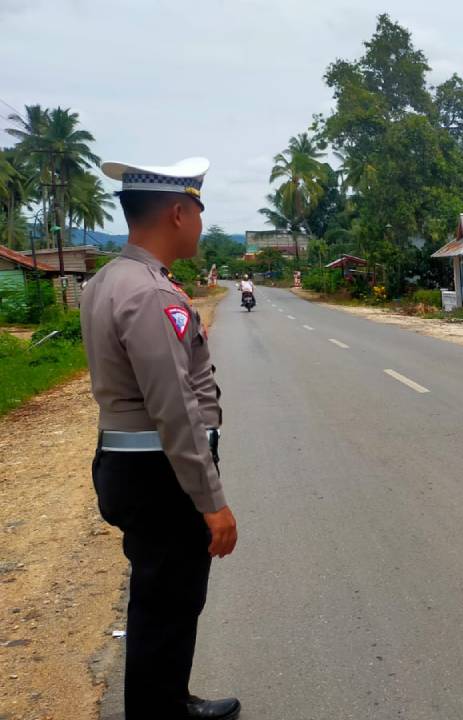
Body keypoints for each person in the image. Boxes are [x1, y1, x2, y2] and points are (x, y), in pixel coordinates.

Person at [81, 157, 241, 719]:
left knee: (160, 596)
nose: (200, 223)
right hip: (161, 473)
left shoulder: (108, 279)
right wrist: (212, 502)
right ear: (177, 213)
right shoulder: (152, 294)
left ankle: (165, 700)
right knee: (170, 599)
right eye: (198, 211)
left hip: (131, 463)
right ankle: (161, 710)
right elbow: (174, 408)